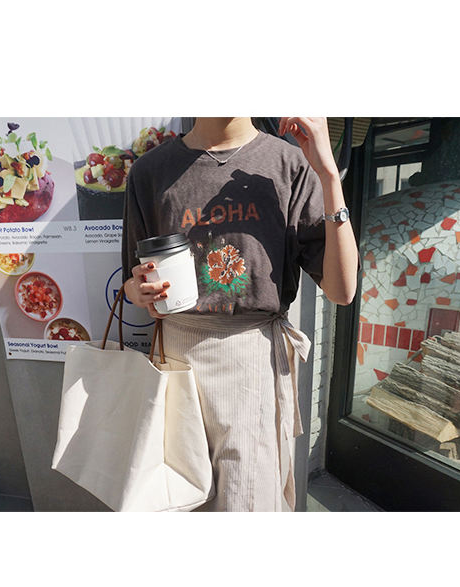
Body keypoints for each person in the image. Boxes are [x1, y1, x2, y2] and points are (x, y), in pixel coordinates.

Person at [122, 117, 361, 511]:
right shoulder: (149, 171)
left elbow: (342, 290)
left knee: (245, 500)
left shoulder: (289, 164)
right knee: (176, 497)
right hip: (174, 358)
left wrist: (329, 176)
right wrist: (140, 291)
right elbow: (131, 280)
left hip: (252, 362)